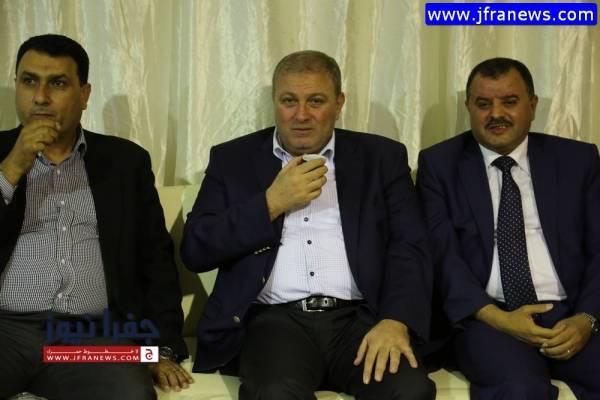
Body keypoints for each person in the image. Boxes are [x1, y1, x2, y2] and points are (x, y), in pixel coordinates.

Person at [181, 50, 435, 400]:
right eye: (289, 101)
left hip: (362, 320)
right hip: (275, 323)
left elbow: (410, 248)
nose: (301, 115)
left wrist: (396, 320)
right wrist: (270, 204)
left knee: (410, 391)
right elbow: (195, 249)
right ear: (275, 102)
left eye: (316, 101)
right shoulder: (233, 159)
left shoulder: (381, 158)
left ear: (339, 103)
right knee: (276, 394)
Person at [0, 34, 193, 399]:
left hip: (88, 336)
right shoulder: (1, 155)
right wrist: (12, 167)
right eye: (29, 81)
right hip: (5, 331)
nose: (40, 97)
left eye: (58, 83)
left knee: (131, 394)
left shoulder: (125, 163)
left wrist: (160, 348)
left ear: (84, 95)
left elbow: (156, 261)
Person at [417, 57, 600, 399]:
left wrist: (587, 318)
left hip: (571, 312)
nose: (496, 114)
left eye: (510, 102)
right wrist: (498, 319)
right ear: (468, 107)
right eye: (483, 104)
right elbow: (443, 257)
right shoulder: (439, 165)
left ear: (533, 105)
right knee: (519, 389)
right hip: (489, 319)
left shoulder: (578, 160)